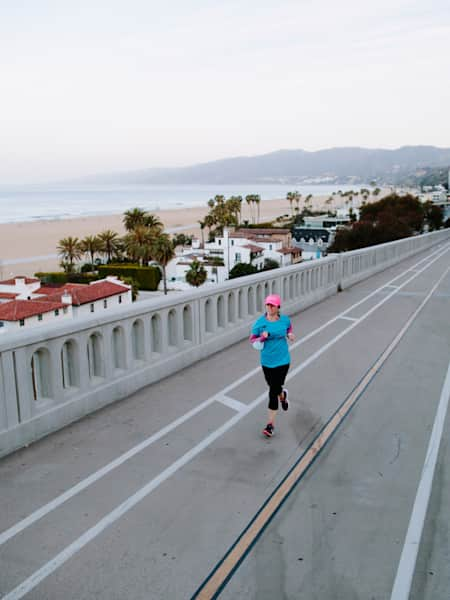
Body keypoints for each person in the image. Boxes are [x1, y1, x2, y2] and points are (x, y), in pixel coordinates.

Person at [250, 294, 295, 438]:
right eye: (267, 305)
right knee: (275, 388)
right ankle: (283, 396)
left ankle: (270, 425)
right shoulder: (260, 323)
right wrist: (262, 337)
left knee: (272, 391)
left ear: (278, 307)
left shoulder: (285, 320)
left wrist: (290, 335)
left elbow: (288, 329)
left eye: (272, 305)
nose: (269, 307)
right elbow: (252, 340)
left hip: (283, 361)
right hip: (267, 362)